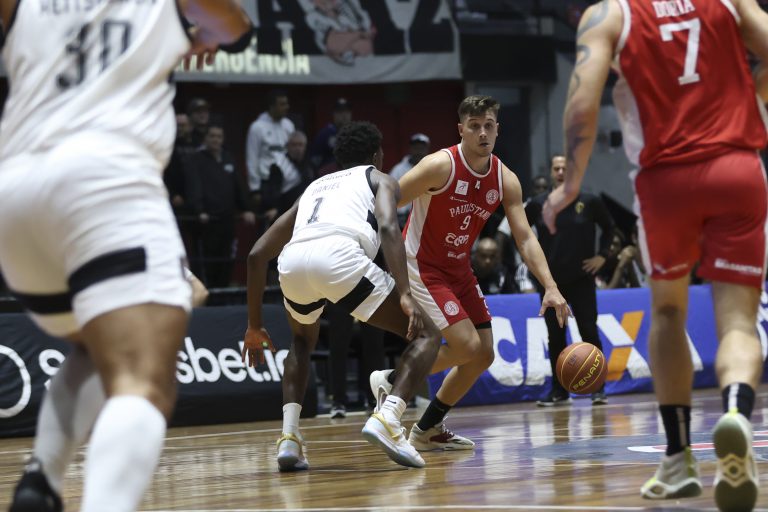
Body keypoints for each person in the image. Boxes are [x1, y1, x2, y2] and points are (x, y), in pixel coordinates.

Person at [2, 2, 253, 512]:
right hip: (105, 183)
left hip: (16, 198)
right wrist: (202, 32)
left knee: (97, 346)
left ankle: (42, 480)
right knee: (141, 380)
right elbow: (234, 27)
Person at [542, 1, 768, 509]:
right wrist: (756, 94)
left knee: (667, 312)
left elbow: (582, 102)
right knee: (738, 321)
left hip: (666, 182)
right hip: (737, 168)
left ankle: (678, 457)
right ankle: (736, 410)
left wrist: (570, 185)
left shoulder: (610, 15)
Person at [370, 95, 570, 452]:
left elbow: (525, 236)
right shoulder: (439, 166)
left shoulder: (505, 179)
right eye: (474, 126)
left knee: (483, 354)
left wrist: (550, 286)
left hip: (459, 268)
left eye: (488, 126)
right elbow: (387, 199)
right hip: (422, 264)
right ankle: (394, 379)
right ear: (461, 129)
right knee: (466, 345)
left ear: (497, 130)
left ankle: (427, 428)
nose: (482, 133)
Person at [242, 121, 442, 470]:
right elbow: (388, 226)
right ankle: (389, 418)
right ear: (377, 154)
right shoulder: (379, 178)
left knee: (301, 342)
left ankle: (289, 438)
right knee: (428, 335)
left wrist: (254, 326)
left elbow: (257, 255)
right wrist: (405, 292)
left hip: (293, 263)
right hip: (340, 257)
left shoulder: (313, 187)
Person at [527, 153, 615, 406]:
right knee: (555, 336)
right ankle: (559, 391)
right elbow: (520, 234)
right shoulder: (538, 204)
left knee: (589, 330)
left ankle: (598, 388)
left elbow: (610, 228)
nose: (560, 173)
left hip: (582, 279)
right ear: (551, 172)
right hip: (551, 284)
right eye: (556, 168)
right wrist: (531, 264)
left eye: (565, 168)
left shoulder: (589, 201)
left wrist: (602, 256)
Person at [185, 124, 256, 287]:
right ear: (205, 139)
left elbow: (238, 186)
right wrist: (199, 210)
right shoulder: (196, 159)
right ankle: (208, 297)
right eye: (212, 136)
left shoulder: (228, 158)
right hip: (207, 222)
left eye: (219, 136)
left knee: (227, 261)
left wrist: (246, 209)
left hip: (228, 220)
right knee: (207, 264)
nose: (215, 140)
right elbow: (194, 186)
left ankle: (223, 295)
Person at [246, 89, 301, 223]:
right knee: (269, 224)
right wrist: (255, 189)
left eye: (286, 103)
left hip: (288, 184)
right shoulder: (257, 127)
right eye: (282, 104)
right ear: (272, 106)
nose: (286, 107)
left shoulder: (288, 125)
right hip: (267, 185)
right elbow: (252, 158)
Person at [389, 133, 431, 227]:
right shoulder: (398, 169)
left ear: (427, 149)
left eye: (421, 148)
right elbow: (389, 193)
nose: (418, 151)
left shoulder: (432, 168)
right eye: (416, 148)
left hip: (425, 216)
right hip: (402, 218)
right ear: (410, 149)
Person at [309, 97, 353, 174]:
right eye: (340, 112)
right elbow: (315, 160)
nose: (344, 115)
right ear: (334, 114)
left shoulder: (355, 133)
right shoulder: (325, 134)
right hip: (329, 175)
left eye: (347, 112)